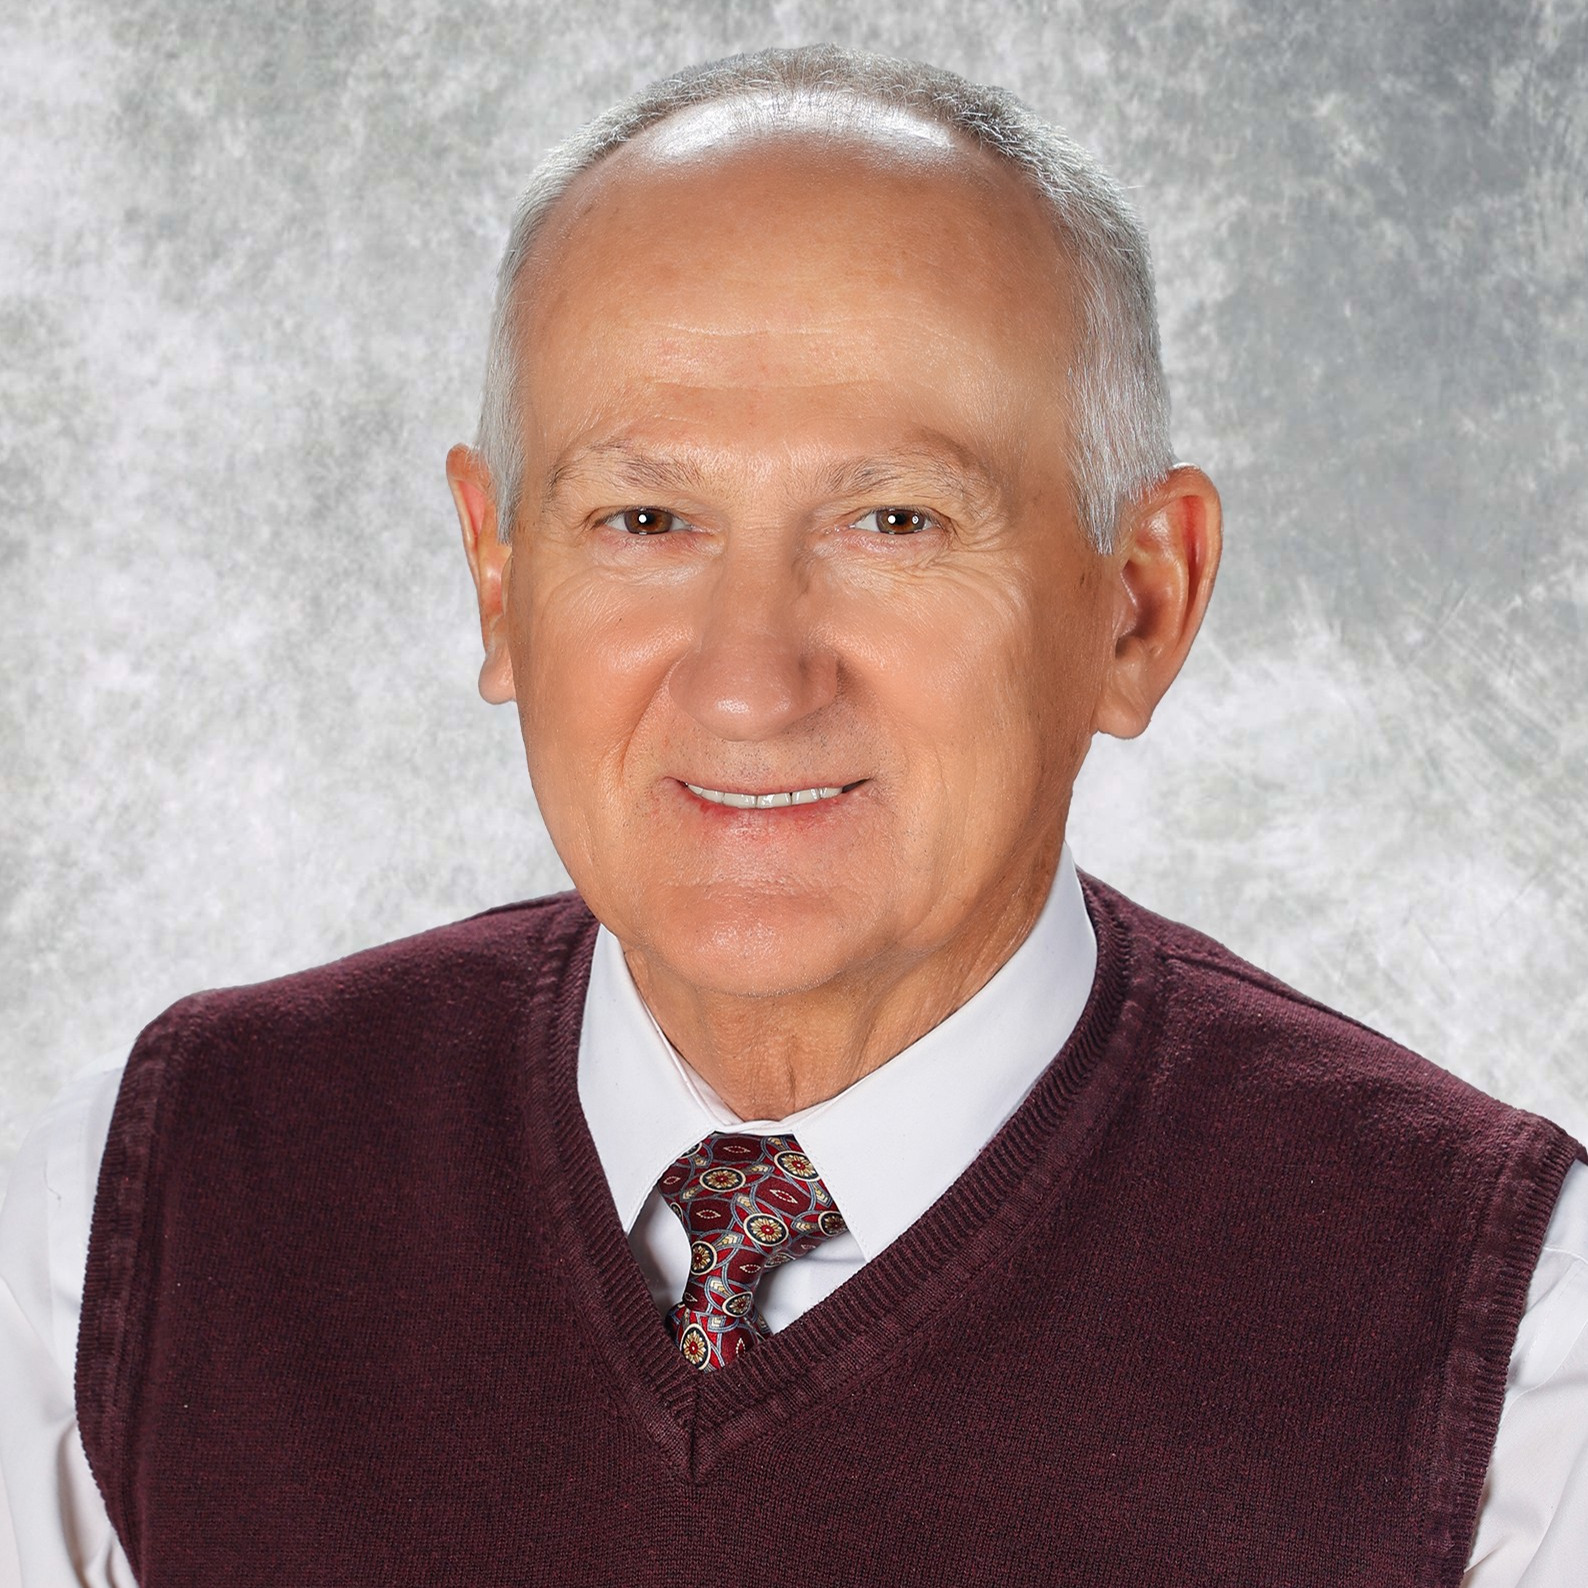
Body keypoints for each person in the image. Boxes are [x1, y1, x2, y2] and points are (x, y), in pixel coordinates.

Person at [1, 43, 1584, 1587]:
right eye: (645, 519)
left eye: (896, 520)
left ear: (1139, 603)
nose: (753, 681)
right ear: (498, 582)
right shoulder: (137, 1221)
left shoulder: (1505, 1353)